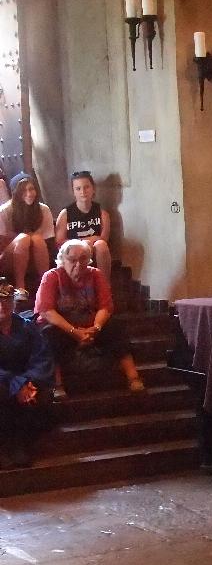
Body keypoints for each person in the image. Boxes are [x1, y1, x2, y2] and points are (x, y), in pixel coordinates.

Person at [35, 239, 145, 400]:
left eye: (83, 259)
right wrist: (74, 332)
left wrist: (96, 328)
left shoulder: (96, 274)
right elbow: (46, 311)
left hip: (91, 327)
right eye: (72, 260)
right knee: (48, 334)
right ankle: (57, 385)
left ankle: (133, 378)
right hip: (63, 328)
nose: (78, 264)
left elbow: (106, 307)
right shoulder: (51, 276)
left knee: (116, 327)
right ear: (62, 260)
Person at [0, 277, 55, 469]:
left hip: (25, 382)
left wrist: (28, 382)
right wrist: (16, 384)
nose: (2, 305)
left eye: (6, 300)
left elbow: (42, 357)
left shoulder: (26, 326)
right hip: (4, 382)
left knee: (40, 394)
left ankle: (20, 444)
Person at [0, 172, 56, 299]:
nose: (29, 193)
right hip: (9, 259)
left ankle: (45, 284)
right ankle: (20, 288)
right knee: (24, 239)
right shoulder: (4, 211)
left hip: (36, 256)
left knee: (37, 239)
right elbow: (2, 246)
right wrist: (22, 239)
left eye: (31, 189)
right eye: (23, 190)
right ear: (15, 192)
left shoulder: (44, 210)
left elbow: (49, 243)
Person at [55, 170, 112, 278]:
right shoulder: (65, 214)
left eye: (86, 187)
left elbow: (104, 239)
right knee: (84, 246)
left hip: (94, 249)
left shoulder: (102, 213)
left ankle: (104, 284)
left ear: (93, 189)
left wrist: (89, 243)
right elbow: (59, 242)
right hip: (72, 250)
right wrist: (83, 242)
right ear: (73, 192)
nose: (83, 191)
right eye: (78, 188)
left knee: (101, 245)